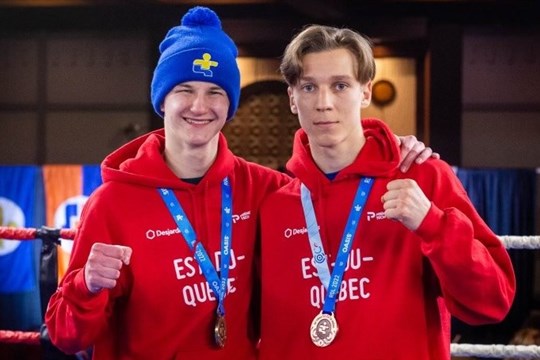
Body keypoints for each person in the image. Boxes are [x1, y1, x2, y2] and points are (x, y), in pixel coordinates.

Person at [44, 6, 437, 360]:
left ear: (229, 105)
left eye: (215, 92)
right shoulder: (111, 202)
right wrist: (86, 286)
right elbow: (65, 336)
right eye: (184, 90)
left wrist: (391, 146)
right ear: (162, 99)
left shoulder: (267, 191)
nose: (199, 107)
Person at [258, 24, 516, 360]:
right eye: (309, 87)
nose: (323, 103)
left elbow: (492, 302)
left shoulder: (423, 176)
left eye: (340, 85)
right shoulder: (274, 204)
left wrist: (434, 225)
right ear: (292, 98)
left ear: (364, 92)